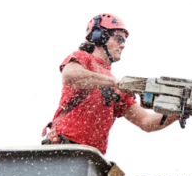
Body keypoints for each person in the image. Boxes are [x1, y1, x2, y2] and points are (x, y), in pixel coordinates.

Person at [41, 14, 180, 154]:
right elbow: (69, 76)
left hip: (92, 156)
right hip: (63, 149)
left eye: (124, 41)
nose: (123, 45)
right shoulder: (83, 58)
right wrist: (115, 82)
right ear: (100, 37)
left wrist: (175, 114)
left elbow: (145, 121)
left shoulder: (119, 88)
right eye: (118, 39)